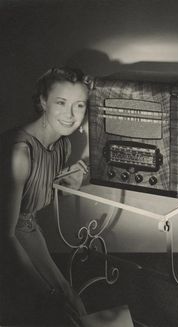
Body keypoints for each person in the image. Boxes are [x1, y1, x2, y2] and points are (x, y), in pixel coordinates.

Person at [0, 67, 91, 326]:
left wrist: (69, 185)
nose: (70, 115)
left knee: (74, 301)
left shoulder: (62, 145)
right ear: (42, 102)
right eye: (61, 103)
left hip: (23, 228)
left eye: (80, 106)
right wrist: (47, 292)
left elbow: (29, 208)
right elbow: (4, 236)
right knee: (55, 310)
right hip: (5, 241)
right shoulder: (20, 153)